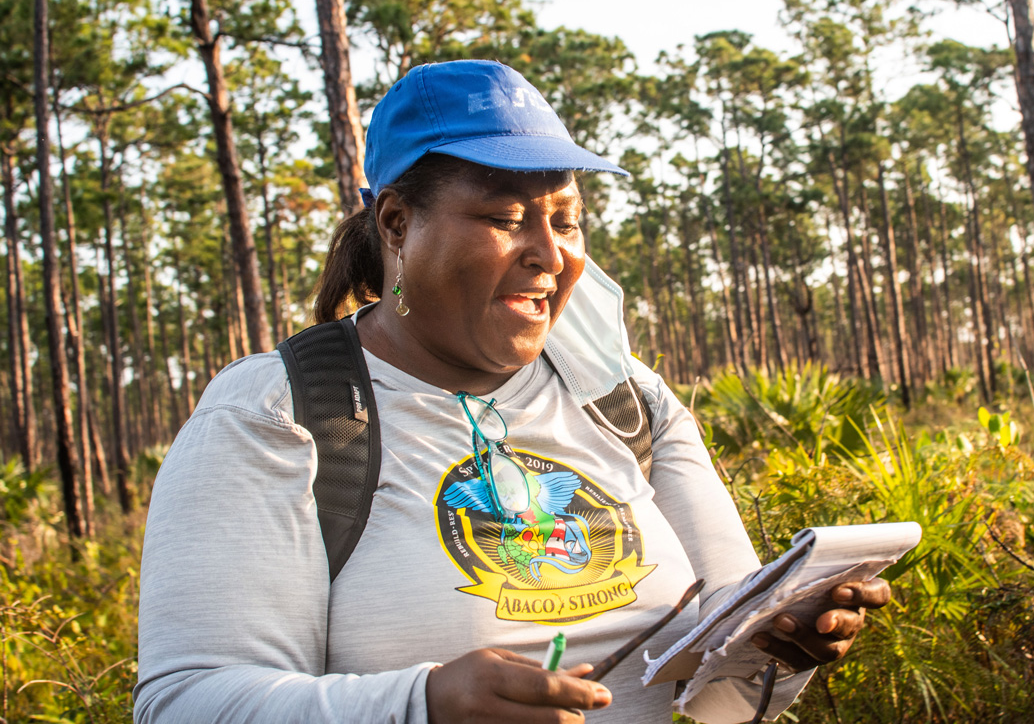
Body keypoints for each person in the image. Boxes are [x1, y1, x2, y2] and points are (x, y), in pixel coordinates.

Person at [134, 60, 890, 724]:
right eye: (504, 218)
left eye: (566, 221)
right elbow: (186, 701)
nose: (549, 255)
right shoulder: (280, 415)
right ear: (396, 223)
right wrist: (418, 706)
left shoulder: (625, 399)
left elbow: (722, 692)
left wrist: (781, 643)